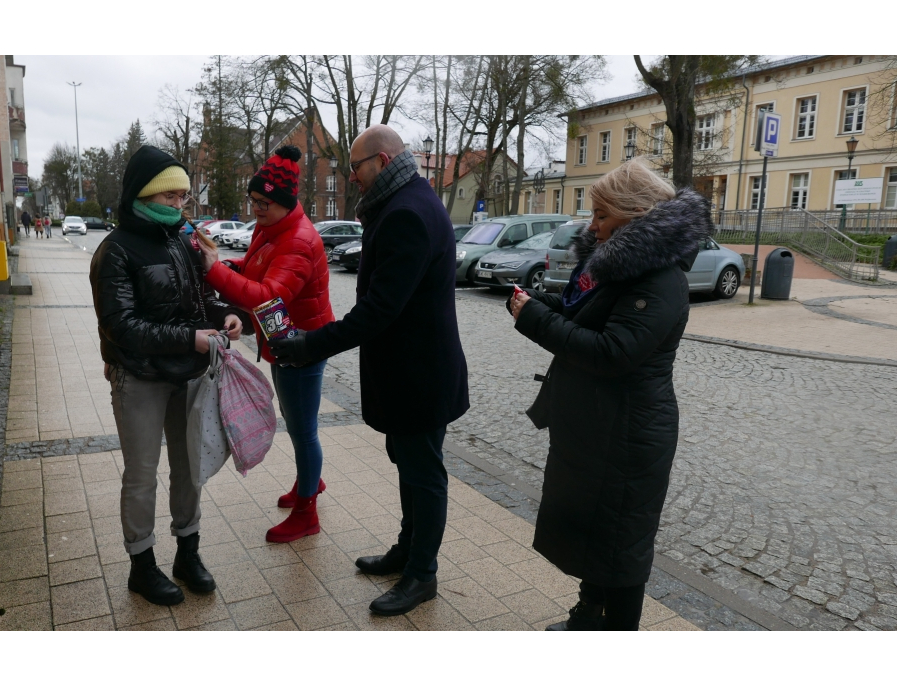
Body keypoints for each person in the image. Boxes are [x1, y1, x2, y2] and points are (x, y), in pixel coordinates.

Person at [269, 125, 469, 617]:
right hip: (410, 371)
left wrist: (310, 344)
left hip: (419, 374)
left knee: (424, 474)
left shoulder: (407, 213)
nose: (351, 177)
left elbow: (380, 310)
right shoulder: (406, 200)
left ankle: (422, 574)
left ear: (381, 160)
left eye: (354, 167)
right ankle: (408, 550)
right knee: (409, 466)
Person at [508, 159, 711, 631]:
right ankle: (587, 617)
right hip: (598, 427)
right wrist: (540, 305)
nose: (591, 225)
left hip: (628, 435)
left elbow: (613, 352)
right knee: (592, 534)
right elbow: (589, 319)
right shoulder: (615, 267)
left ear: (635, 213)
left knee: (620, 547)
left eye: (601, 215)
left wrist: (534, 320)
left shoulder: (659, 277)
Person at [89, 145, 250, 607]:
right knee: (141, 475)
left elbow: (199, 302)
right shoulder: (115, 250)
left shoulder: (183, 240)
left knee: (187, 469)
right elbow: (122, 326)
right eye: (171, 197)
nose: (181, 206)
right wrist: (190, 338)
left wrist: (227, 317)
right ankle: (142, 566)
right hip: (138, 376)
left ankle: (188, 555)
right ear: (144, 195)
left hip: (188, 374)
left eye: (183, 197)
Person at [198, 145, 334, 544]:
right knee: (298, 426)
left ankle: (307, 512)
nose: (255, 208)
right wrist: (222, 263)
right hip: (285, 342)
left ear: (282, 202)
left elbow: (268, 295)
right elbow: (256, 270)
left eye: (262, 201)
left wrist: (215, 272)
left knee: (304, 431)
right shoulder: (272, 228)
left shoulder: (299, 241)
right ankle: (311, 482)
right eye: (252, 200)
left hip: (302, 347)